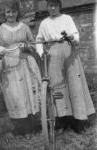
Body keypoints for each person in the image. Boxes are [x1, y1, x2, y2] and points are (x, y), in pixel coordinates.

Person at [0, 0, 42, 135]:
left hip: (25, 63)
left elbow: (33, 45)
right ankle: (19, 128)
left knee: (27, 94)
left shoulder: (24, 27)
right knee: (14, 97)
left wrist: (26, 46)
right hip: (9, 67)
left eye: (13, 11)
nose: (11, 14)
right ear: (5, 13)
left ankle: (31, 127)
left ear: (17, 12)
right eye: (8, 12)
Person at [36, 0, 95, 133]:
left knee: (75, 84)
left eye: (55, 5)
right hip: (53, 54)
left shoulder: (67, 18)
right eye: (50, 5)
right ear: (47, 7)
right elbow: (39, 40)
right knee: (57, 86)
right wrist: (41, 52)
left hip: (69, 52)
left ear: (59, 6)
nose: (52, 8)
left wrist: (71, 37)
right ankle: (61, 121)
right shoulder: (44, 23)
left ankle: (79, 121)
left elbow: (75, 36)